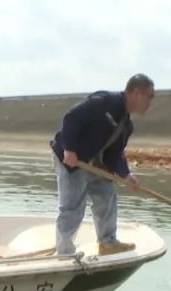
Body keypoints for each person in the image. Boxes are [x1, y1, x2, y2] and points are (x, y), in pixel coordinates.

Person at [50, 73, 155, 256]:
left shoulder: (126, 125)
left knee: (106, 197)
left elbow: (114, 155)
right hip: (71, 159)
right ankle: (65, 252)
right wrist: (69, 149)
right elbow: (71, 118)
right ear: (137, 93)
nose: (151, 102)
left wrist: (125, 175)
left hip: (94, 162)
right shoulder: (105, 101)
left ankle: (108, 242)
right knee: (72, 207)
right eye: (150, 96)